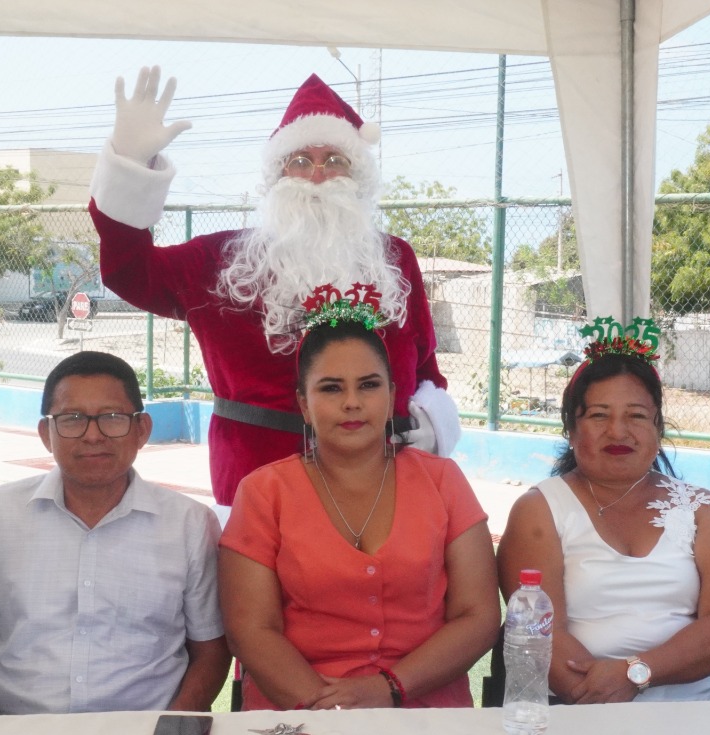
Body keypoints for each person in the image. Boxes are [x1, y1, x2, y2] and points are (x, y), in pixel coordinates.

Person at [89, 67, 460, 507]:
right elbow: (130, 270)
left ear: (357, 178)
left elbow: (424, 365)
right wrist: (130, 165)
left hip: (381, 485)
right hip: (258, 490)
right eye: (299, 161)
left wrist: (431, 420)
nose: (317, 175)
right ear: (277, 177)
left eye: (335, 161)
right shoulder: (221, 260)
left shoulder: (394, 257)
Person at [220, 289, 498, 710]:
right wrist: (330, 711)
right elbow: (251, 631)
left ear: (391, 396)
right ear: (304, 405)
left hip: (424, 709)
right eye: (331, 388)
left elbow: (478, 617)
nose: (352, 403)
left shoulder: (443, 482)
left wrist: (389, 689)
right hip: (298, 714)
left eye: (368, 385)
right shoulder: (263, 493)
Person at [0, 351, 228, 715]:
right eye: (72, 419)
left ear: (142, 429)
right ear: (46, 434)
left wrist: (171, 731)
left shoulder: (190, 524)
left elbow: (211, 648)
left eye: (112, 417)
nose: (93, 435)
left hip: (146, 734)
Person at [496, 320, 710, 702]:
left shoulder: (703, 510)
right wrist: (601, 697)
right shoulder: (539, 510)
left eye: (636, 416)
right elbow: (542, 633)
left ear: (658, 428)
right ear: (571, 429)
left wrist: (636, 674)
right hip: (582, 710)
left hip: (692, 710)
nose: (618, 431)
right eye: (599, 415)